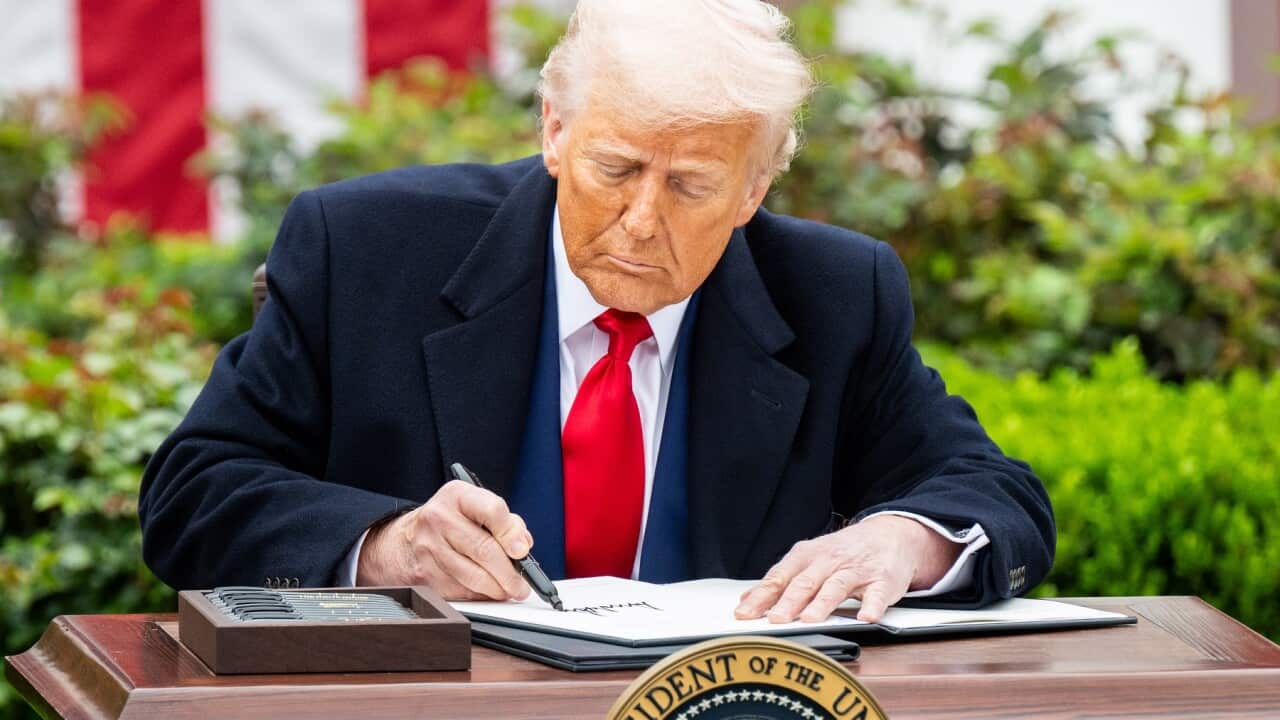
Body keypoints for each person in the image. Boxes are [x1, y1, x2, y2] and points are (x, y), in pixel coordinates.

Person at [139, 0, 1053, 625]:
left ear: (754, 189)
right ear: (553, 131)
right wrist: (387, 546)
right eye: (614, 169)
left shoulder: (835, 294)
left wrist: (904, 540)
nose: (642, 220)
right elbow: (194, 495)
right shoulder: (365, 249)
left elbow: (994, 496)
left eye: (693, 185)